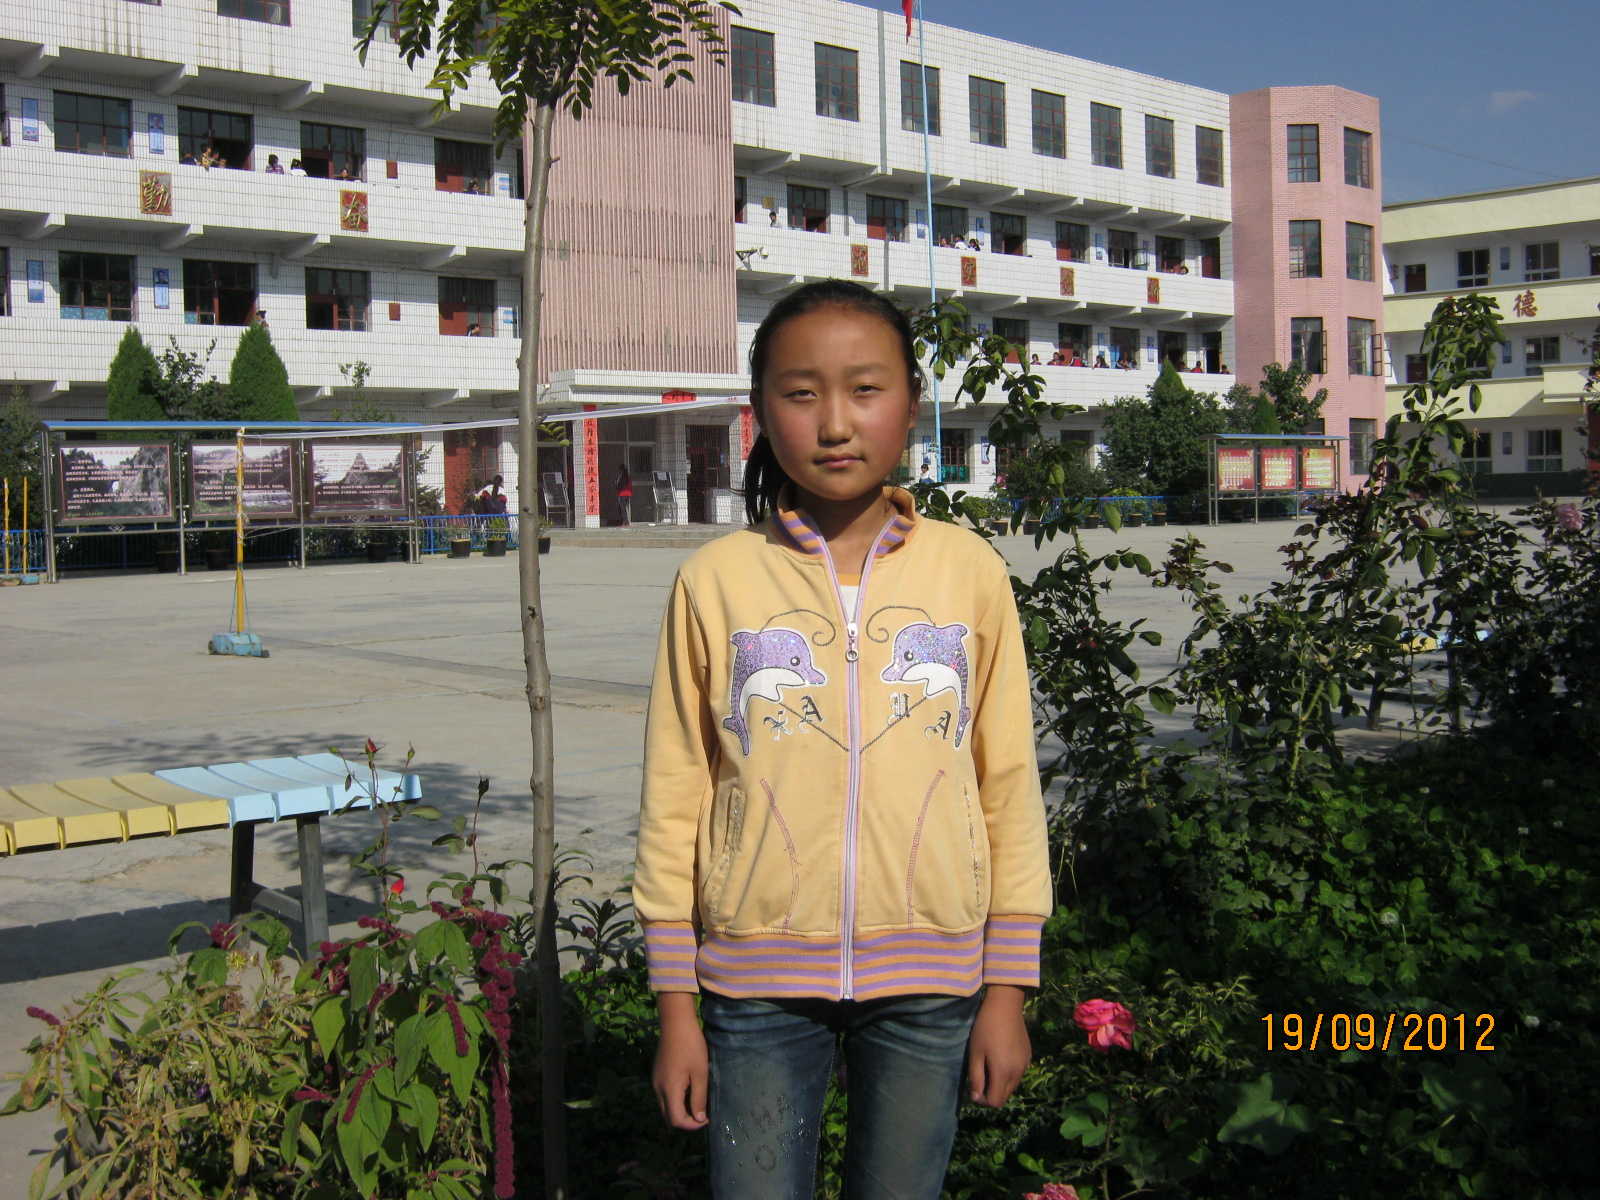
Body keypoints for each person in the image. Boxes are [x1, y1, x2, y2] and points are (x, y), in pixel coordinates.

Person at [637, 278, 1050, 1199]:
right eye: (801, 392)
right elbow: (675, 794)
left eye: (865, 389)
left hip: (934, 982)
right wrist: (675, 1007)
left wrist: (1007, 990)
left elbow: (1008, 785)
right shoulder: (716, 580)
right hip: (754, 985)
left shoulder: (969, 572)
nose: (834, 423)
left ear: (910, 400)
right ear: (760, 411)